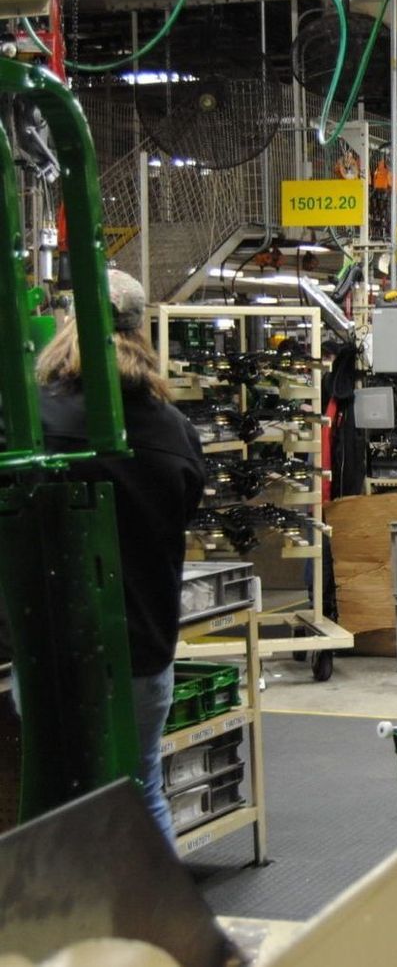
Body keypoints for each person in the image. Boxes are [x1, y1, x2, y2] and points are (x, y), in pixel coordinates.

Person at [34, 269, 205, 837]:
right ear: (140, 330)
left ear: (69, 325)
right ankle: (151, 897)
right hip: (144, 646)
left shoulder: (37, 418)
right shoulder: (176, 430)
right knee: (142, 791)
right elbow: (182, 514)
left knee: (58, 804)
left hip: (52, 647)